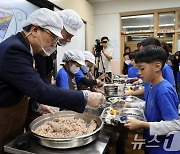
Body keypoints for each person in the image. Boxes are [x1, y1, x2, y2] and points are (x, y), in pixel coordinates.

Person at [0, 8, 105, 153]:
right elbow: (41, 90)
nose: (55, 43)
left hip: (17, 109)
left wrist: (36, 105)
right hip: (5, 113)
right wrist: (85, 97)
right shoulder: (15, 50)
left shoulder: (26, 48)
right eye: (53, 38)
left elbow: (29, 85)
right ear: (35, 30)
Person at [124, 45, 179, 154]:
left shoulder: (164, 91)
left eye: (142, 68)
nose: (139, 73)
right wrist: (129, 105)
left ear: (157, 66)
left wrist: (142, 124)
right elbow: (150, 105)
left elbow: (174, 124)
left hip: (165, 148)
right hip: (153, 142)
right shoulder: (151, 85)